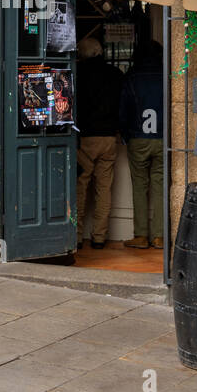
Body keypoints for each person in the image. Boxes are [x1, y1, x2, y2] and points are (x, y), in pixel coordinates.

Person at [74, 36, 122, 250]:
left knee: (80, 187)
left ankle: (75, 236)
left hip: (85, 137)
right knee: (104, 189)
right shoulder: (116, 74)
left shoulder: (78, 74)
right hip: (109, 137)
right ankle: (99, 238)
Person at [119, 39, 164, 250]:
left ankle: (141, 236)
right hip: (163, 138)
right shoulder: (167, 75)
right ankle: (160, 236)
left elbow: (124, 110)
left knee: (139, 186)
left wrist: (126, 136)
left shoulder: (132, 77)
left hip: (138, 137)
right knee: (160, 186)